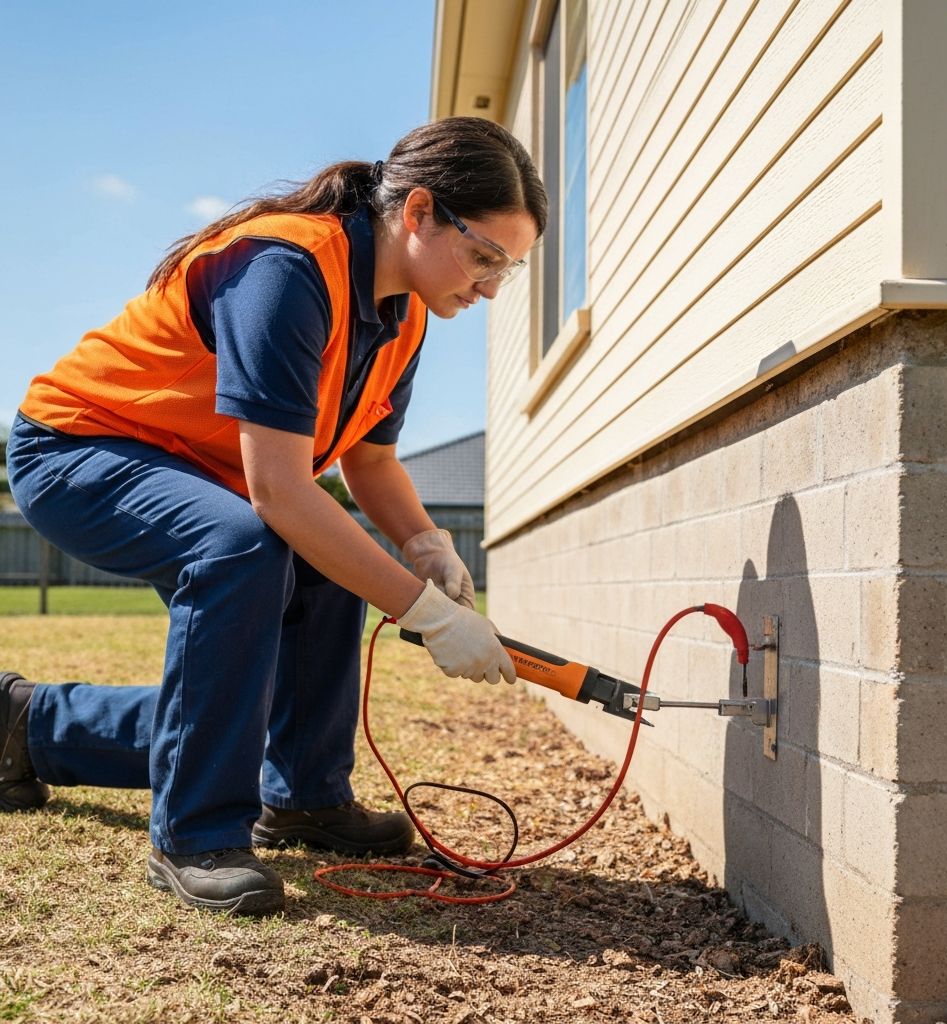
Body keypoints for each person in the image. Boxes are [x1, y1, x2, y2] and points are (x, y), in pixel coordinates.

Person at [1, 116, 546, 916]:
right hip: (77, 449)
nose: (492, 286)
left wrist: (423, 544)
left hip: (203, 468)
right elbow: (281, 495)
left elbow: (370, 459)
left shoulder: (407, 314)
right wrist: (427, 614)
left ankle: (299, 793)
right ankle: (195, 832)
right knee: (246, 545)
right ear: (421, 211)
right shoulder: (286, 268)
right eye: (485, 257)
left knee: (327, 573)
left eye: (512, 269)